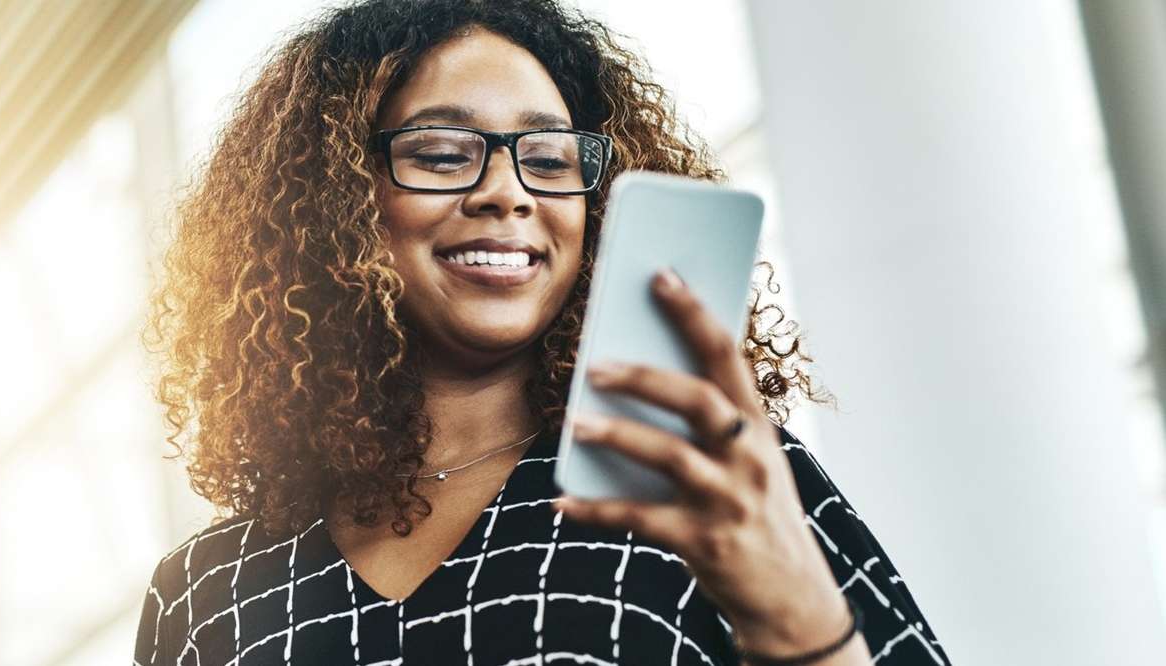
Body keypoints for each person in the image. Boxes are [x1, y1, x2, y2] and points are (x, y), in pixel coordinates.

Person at [131, 0, 951, 664]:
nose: (506, 192)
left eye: (550, 160)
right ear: (336, 200)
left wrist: (803, 633)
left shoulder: (707, 479)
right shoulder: (206, 592)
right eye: (444, 153)